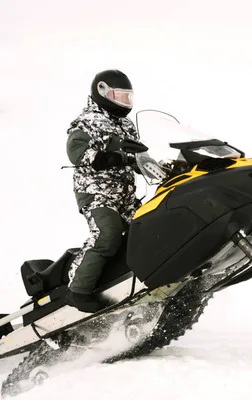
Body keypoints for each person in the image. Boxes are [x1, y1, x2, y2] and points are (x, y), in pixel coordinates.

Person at [64, 69, 141, 313]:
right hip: (96, 192)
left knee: (146, 227)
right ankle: (78, 291)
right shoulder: (87, 121)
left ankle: (132, 277)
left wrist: (154, 165)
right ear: (102, 92)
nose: (124, 103)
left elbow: (137, 153)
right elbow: (76, 150)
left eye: (127, 97)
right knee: (107, 234)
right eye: (119, 96)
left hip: (124, 193)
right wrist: (102, 158)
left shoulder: (127, 124)